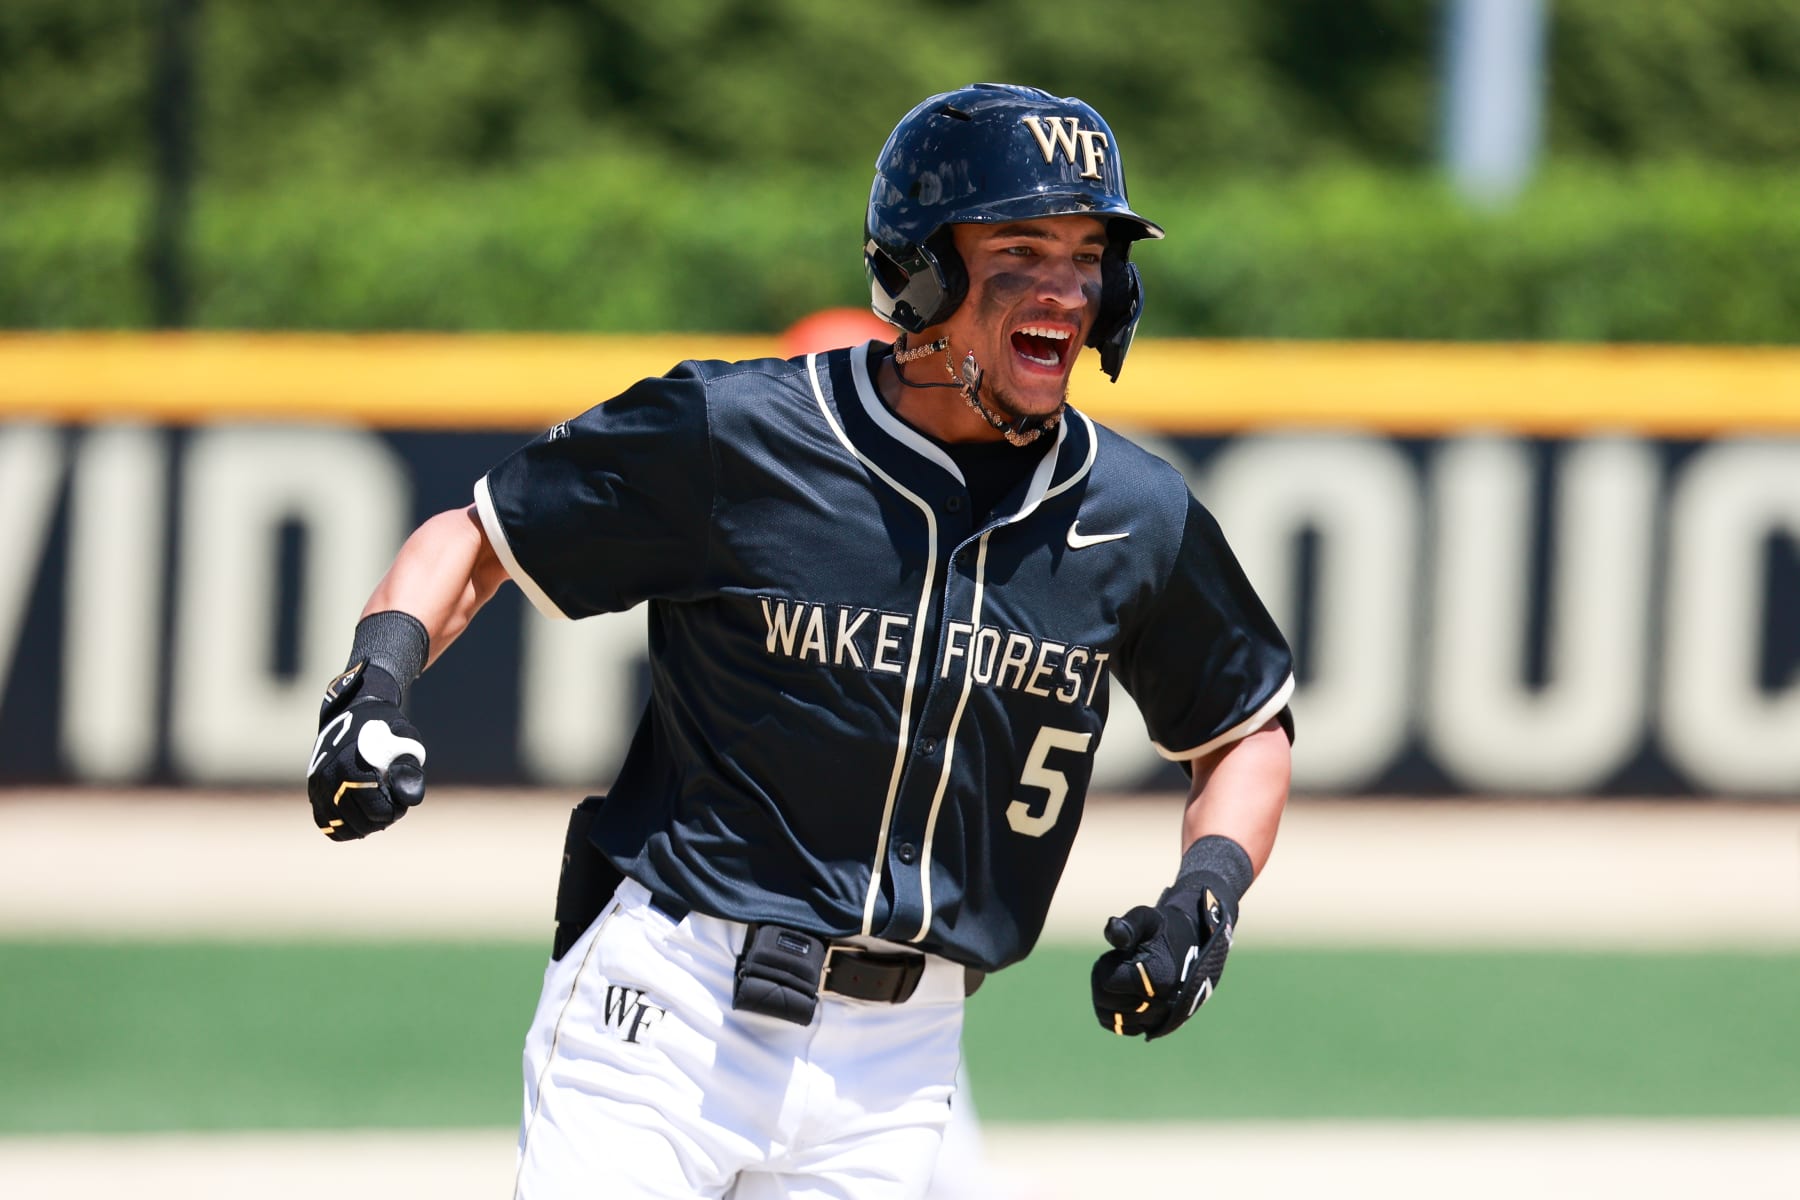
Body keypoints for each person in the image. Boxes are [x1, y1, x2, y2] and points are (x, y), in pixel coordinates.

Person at [306, 82, 1295, 1199]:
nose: (1066, 288)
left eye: (1090, 253)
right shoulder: (739, 434)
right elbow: (478, 538)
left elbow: (1244, 731)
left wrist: (1206, 894)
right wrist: (375, 684)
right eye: (1021, 247)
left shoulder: (1136, 512)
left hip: (901, 1066)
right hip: (665, 1012)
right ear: (922, 268)